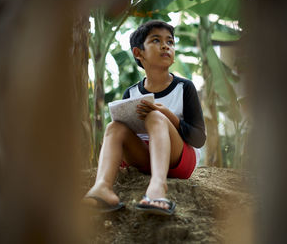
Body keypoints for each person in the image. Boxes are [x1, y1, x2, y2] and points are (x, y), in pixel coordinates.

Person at [83, 20, 206, 215]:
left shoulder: (185, 88)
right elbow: (124, 138)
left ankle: (157, 189)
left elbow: (199, 138)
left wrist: (167, 115)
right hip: (143, 159)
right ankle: (103, 188)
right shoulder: (131, 93)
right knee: (114, 127)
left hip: (179, 161)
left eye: (170, 42)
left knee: (155, 117)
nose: (166, 46)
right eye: (156, 40)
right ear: (138, 53)